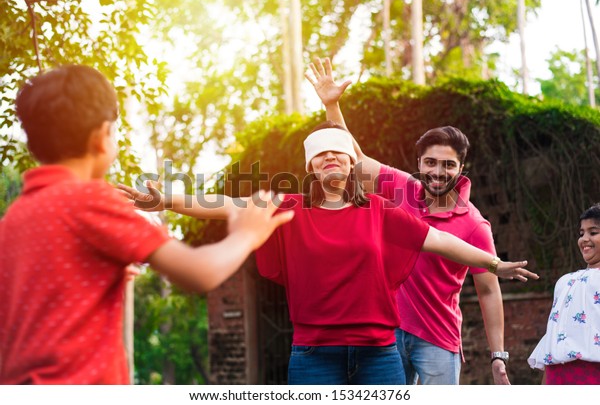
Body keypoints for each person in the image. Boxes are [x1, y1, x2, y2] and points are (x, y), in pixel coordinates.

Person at [123, 120, 538, 385]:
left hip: (379, 355)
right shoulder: (289, 209)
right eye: (321, 154)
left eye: (338, 152)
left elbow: (441, 241)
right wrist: (165, 202)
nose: (331, 159)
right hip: (313, 356)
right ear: (312, 167)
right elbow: (225, 203)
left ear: (348, 162)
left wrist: (493, 263)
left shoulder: (380, 210)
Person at [0, 64, 293, 385]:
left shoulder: (16, 216)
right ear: (102, 137)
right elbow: (198, 272)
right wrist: (245, 236)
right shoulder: (93, 200)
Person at [305, 57, 514, 385]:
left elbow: (488, 290)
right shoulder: (402, 188)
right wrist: (332, 106)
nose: (437, 171)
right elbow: (356, 160)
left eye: (447, 164)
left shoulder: (475, 225)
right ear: (419, 162)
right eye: (430, 162)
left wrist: (498, 355)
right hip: (386, 333)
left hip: (437, 340)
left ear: (461, 168)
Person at [527, 204, 600, 384]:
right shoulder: (564, 281)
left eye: (593, 232)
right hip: (557, 376)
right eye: (581, 233)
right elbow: (552, 335)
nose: (584, 239)